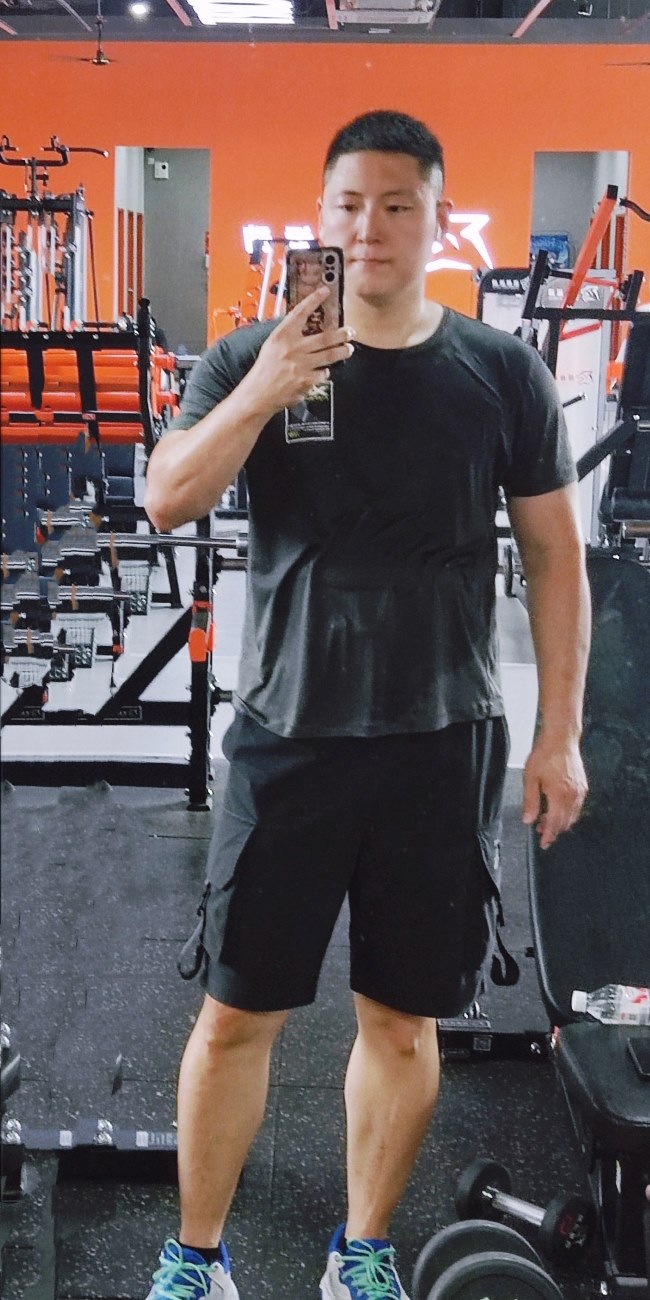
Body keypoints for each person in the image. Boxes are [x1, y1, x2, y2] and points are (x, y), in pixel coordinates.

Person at [142, 109, 591, 1300]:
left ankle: (361, 1254)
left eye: (398, 204)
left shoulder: (498, 372)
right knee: (234, 1016)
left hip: (439, 744)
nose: (371, 225)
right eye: (349, 203)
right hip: (286, 737)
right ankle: (195, 1259)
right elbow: (167, 498)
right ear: (319, 215)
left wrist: (557, 734)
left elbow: (555, 558)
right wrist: (266, 386)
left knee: (401, 1024)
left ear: (439, 220)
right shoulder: (247, 356)